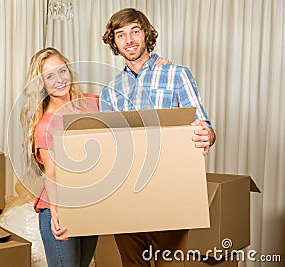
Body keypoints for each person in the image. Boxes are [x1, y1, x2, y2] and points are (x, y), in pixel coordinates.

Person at [100, 8, 216, 266]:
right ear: (114, 42)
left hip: (170, 196)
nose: (129, 40)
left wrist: (206, 134)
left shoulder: (176, 74)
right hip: (127, 199)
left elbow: (203, 124)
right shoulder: (110, 92)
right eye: (121, 35)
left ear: (146, 34)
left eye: (135, 31)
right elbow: (109, 147)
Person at [20, 47, 99, 267]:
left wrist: (158, 65)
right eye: (50, 76)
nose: (59, 80)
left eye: (62, 71)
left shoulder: (94, 103)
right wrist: (56, 212)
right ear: (41, 84)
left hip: (90, 205)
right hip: (59, 207)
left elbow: (129, 113)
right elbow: (52, 172)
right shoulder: (45, 125)